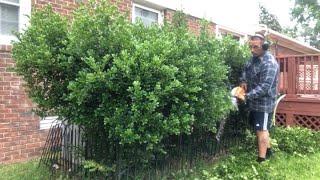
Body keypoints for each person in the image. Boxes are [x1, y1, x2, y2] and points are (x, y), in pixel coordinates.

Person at [238, 33, 279, 163]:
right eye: (251, 47)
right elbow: (245, 69)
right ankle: (269, 151)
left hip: (264, 102)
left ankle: (261, 160)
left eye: (255, 47)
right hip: (254, 100)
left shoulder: (269, 63)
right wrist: (243, 80)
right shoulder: (253, 58)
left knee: (262, 130)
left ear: (264, 46)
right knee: (260, 127)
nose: (252, 50)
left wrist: (246, 96)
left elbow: (265, 87)